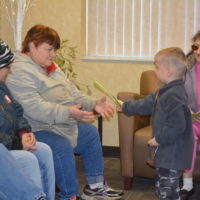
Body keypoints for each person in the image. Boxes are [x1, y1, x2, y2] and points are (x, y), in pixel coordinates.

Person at [6, 24, 123, 200]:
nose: (53, 54)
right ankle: (70, 195)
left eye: (55, 50)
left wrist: (93, 104)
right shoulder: (18, 70)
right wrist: (68, 112)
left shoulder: (50, 66)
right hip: (36, 128)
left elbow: (72, 93)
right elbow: (33, 107)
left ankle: (95, 186)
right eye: (49, 49)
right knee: (61, 145)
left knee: (90, 133)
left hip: (59, 123)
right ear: (31, 46)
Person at [117, 47, 194, 200]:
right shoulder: (164, 91)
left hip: (173, 153)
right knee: (162, 189)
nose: (155, 70)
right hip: (166, 152)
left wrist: (159, 138)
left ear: (169, 71)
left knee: (168, 192)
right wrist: (125, 106)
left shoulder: (173, 95)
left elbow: (177, 125)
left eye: (157, 67)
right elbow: (146, 103)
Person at [0, 39, 55, 200]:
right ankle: (36, 197)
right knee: (27, 159)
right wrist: (18, 143)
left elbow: (17, 110)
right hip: (6, 146)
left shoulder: (2, 86)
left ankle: (47, 197)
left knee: (44, 150)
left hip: (10, 142)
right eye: (7, 67)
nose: (10, 71)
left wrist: (24, 132)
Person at [181, 30, 200, 200]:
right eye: (195, 46)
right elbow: (179, 94)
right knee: (188, 136)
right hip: (193, 118)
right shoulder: (187, 68)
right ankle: (187, 185)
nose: (198, 51)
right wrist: (188, 109)